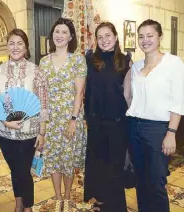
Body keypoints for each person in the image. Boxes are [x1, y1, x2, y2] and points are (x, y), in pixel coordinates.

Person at [0, 28, 48, 212]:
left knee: (23, 170)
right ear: (7, 46)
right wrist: (5, 120)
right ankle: (19, 202)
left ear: (26, 47)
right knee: (16, 169)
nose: (15, 47)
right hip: (4, 131)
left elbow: (44, 103)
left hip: (28, 131)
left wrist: (42, 132)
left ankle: (26, 206)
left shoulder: (36, 71)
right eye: (11, 43)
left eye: (19, 43)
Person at [127, 19, 184, 212]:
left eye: (150, 35)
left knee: (157, 180)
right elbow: (129, 97)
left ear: (160, 37)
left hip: (158, 129)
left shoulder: (173, 63)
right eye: (141, 36)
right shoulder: (135, 66)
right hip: (134, 126)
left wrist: (171, 132)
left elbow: (178, 101)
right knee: (140, 179)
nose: (145, 40)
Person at [39, 17, 87, 212]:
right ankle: (57, 196)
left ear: (71, 37)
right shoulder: (43, 61)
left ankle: (67, 196)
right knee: (53, 159)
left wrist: (73, 120)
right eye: (56, 31)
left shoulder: (77, 59)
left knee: (68, 157)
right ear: (52, 35)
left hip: (70, 117)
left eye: (64, 32)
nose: (59, 35)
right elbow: (41, 94)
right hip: (51, 119)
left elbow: (79, 92)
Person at [83, 22, 132, 212]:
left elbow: (130, 94)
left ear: (116, 37)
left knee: (115, 167)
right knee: (99, 165)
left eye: (108, 35)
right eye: (100, 37)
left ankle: (117, 207)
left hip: (118, 123)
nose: (104, 40)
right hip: (96, 123)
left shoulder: (126, 61)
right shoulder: (90, 60)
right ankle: (101, 203)